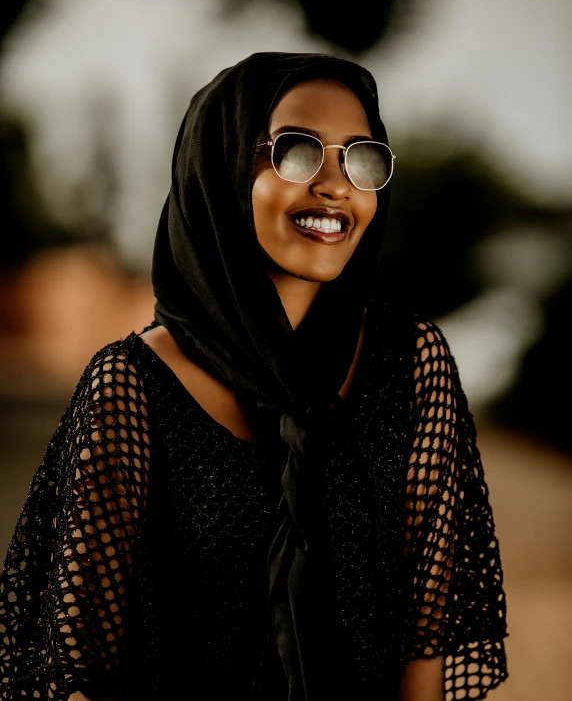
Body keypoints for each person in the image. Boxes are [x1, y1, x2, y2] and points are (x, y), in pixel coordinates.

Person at [0, 52, 508, 701]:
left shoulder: (411, 367)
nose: (334, 183)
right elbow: (73, 663)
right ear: (220, 167)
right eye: (296, 151)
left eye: (362, 157)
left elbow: (424, 651)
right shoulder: (132, 388)